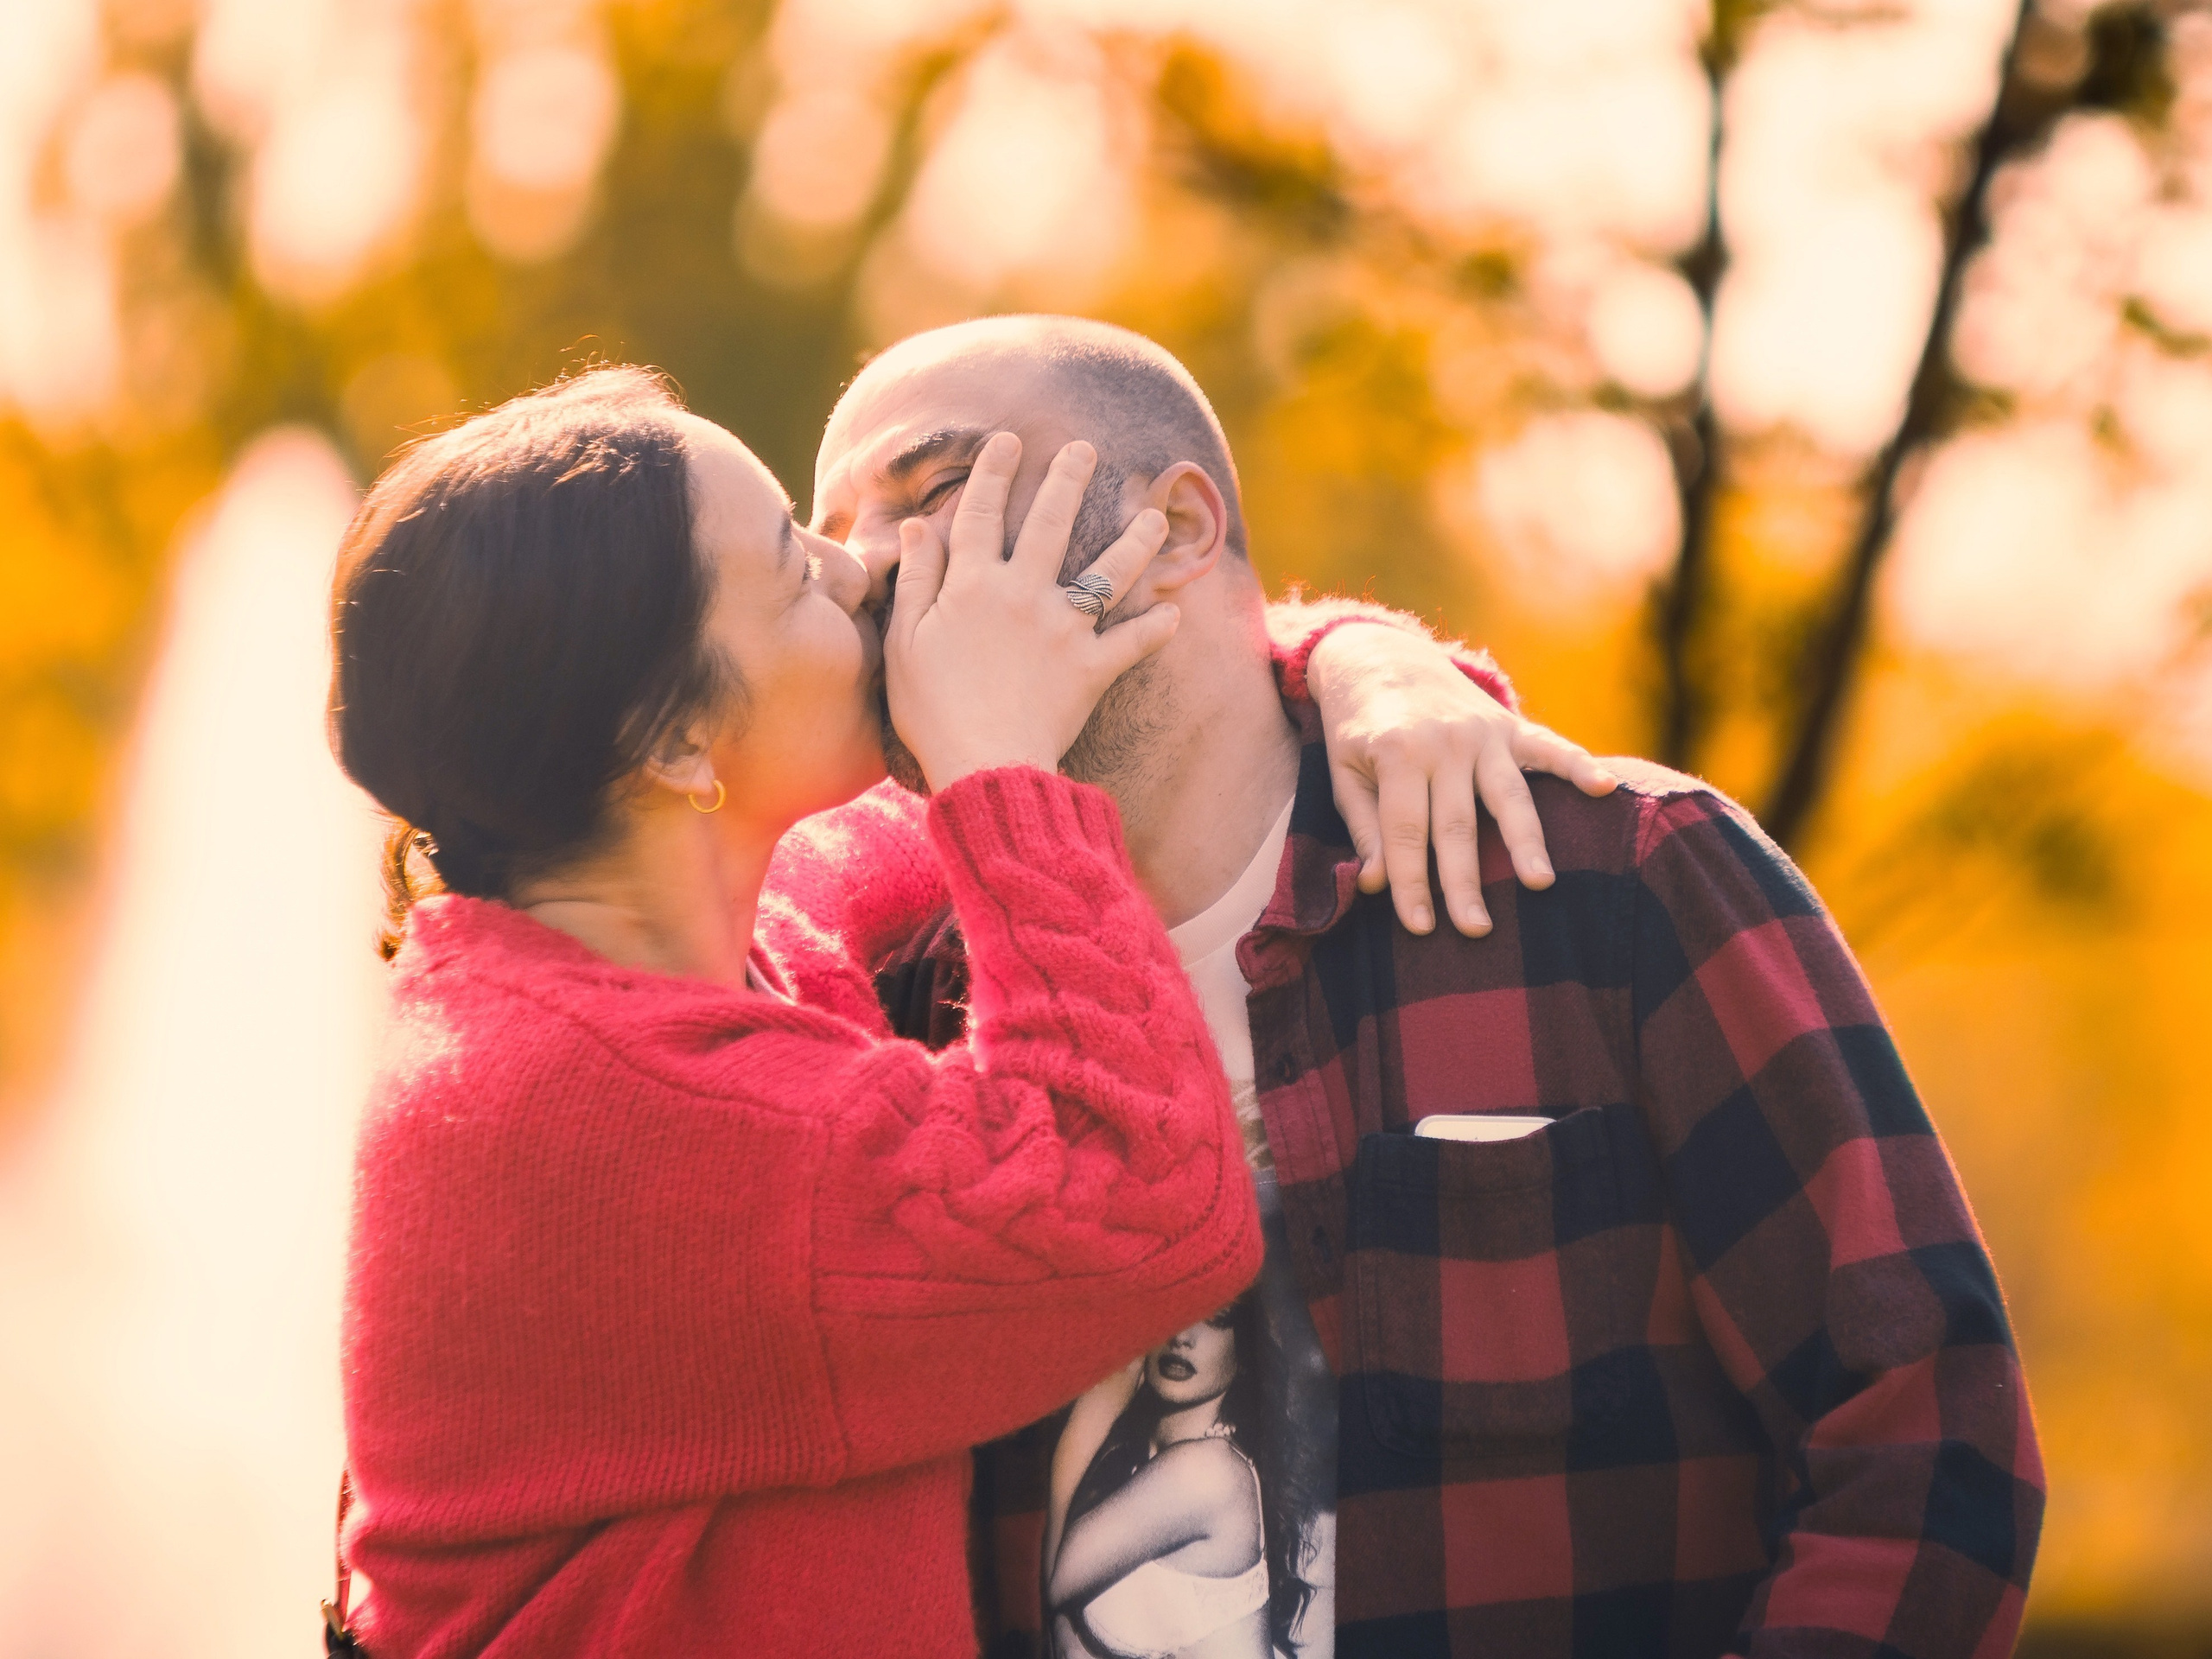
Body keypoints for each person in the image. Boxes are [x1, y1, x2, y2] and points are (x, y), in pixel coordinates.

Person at [787, 315, 2046, 1659]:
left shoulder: (1612, 886)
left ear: (1182, 527)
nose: (870, 572)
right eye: (838, 536)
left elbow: (1924, 1441)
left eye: (937, 495)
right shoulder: (871, 1013)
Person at [327, 365, 1603, 1659]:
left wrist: (1359, 663)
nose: (857, 573)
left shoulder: (681, 948)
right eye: (792, 566)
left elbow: (1033, 810)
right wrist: (997, 759)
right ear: (674, 744)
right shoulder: (628, 1128)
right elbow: (1150, 1201)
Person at [1044, 1292, 1325, 1659]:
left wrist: (1095, 1408)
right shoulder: (1133, 1464)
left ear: (1244, 1354)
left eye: (1216, 1318)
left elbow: (1054, 1588)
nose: (1182, 1336)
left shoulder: (1208, 1473)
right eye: (1171, 1309)